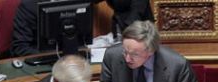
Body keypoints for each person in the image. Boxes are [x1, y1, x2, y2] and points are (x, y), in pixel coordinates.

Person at [95, 20, 204, 82]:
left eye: (134, 54)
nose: (127, 58)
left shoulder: (176, 64)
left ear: (151, 51)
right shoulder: (112, 56)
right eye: (125, 51)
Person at [10, 0, 151, 57]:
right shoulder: (28, 6)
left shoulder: (74, 3)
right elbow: (20, 48)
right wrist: (57, 55)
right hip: (44, 65)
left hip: (76, 60)